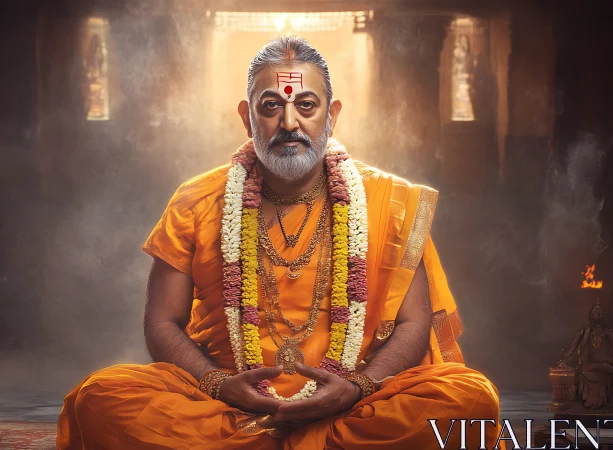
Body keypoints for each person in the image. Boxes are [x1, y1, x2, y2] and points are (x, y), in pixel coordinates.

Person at [58, 36, 500, 449]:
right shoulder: (196, 200)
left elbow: (413, 323)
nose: (289, 122)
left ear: (332, 114)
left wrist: (358, 385)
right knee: (101, 396)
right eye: (271, 106)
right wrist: (217, 384)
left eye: (306, 105)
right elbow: (162, 321)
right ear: (246, 116)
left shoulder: (389, 200)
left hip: (355, 401)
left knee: (470, 398)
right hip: (226, 405)